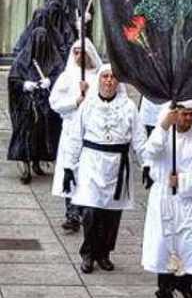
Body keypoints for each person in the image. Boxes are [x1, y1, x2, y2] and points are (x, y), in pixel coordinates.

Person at [62, 64, 147, 274]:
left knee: (112, 214)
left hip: (118, 166)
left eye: (113, 77)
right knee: (91, 211)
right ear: (99, 80)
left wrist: (147, 165)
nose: (109, 81)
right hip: (92, 163)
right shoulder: (87, 106)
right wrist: (68, 167)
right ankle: (88, 253)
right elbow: (75, 137)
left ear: (118, 82)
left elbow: (139, 138)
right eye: (105, 77)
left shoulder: (128, 107)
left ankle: (104, 253)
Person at [142, 101, 192, 298]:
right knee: (164, 244)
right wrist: (164, 125)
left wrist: (182, 181)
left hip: (188, 202)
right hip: (164, 198)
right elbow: (150, 152)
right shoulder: (164, 137)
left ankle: (186, 286)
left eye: (191, 114)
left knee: (187, 244)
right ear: (175, 114)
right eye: (184, 114)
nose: (188, 118)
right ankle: (164, 288)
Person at [50, 38, 104, 233]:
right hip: (72, 129)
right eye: (75, 52)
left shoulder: (99, 76)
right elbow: (54, 102)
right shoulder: (67, 76)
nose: (79, 56)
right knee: (69, 168)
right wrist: (76, 100)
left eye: (82, 51)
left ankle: (85, 210)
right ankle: (71, 214)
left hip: (92, 132)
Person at [7, 27, 64, 184]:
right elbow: (14, 79)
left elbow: (60, 74)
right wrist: (25, 84)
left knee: (43, 133)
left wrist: (50, 81)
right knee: (26, 132)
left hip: (46, 103)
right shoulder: (22, 59)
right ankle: (25, 164)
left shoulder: (54, 59)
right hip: (28, 103)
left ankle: (38, 160)